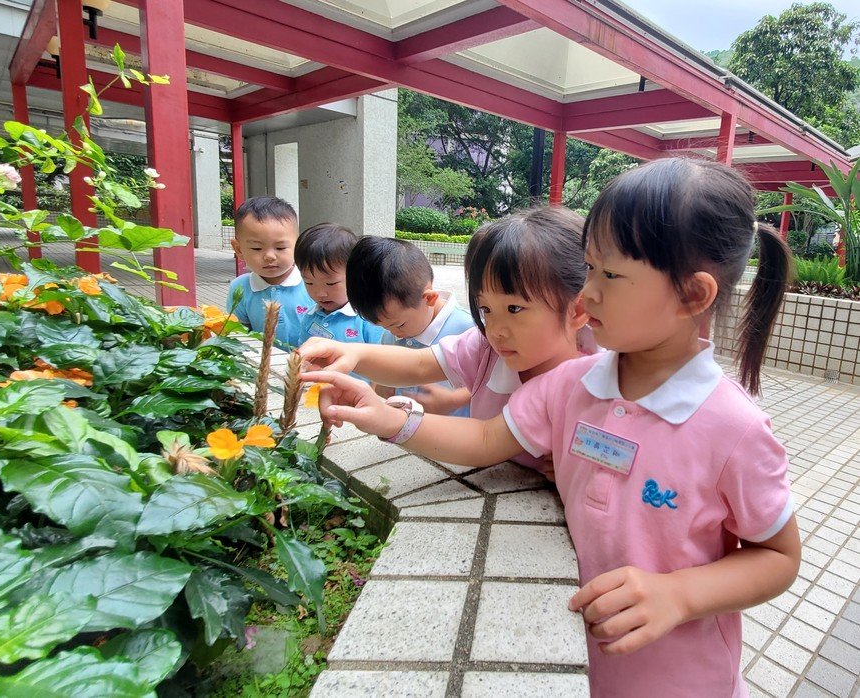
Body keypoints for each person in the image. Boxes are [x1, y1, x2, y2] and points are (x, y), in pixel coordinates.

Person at [303, 158, 801, 696]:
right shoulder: (571, 384)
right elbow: (486, 439)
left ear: (693, 295)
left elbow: (778, 556)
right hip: (581, 657)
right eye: (588, 268)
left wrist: (679, 594)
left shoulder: (735, 429)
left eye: (609, 275)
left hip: (684, 678)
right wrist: (386, 420)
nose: (586, 293)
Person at [299, 206, 596, 475]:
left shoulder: (597, 382)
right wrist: (351, 354)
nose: (495, 329)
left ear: (577, 310)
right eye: (486, 309)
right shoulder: (487, 348)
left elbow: (485, 440)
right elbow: (419, 364)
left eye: (514, 309)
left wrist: (591, 467)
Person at [346, 236, 475, 416]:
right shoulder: (391, 332)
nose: (393, 333)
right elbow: (383, 382)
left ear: (429, 298)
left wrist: (454, 399)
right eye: (384, 327)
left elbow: (494, 382)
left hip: (457, 430)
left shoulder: (469, 328)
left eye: (398, 325)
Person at [227, 196, 311, 347]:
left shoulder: (312, 282)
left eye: (280, 247)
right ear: (238, 249)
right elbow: (238, 335)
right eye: (257, 248)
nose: (269, 256)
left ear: (298, 245)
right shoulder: (239, 288)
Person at [294, 222, 384, 346]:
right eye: (309, 283)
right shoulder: (310, 317)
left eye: (331, 283)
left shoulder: (368, 320)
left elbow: (380, 355)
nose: (320, 293)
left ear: (354, 276)